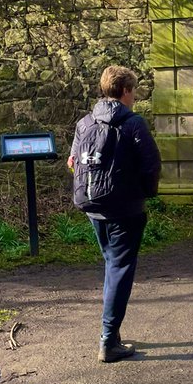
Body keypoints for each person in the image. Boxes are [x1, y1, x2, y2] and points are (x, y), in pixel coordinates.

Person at [69, 65, 161, 363]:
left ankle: (112, 333)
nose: (134, 96)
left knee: (112, 265)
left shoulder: (85, 123)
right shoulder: (133, 124)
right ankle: (108, 339)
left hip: (94, 207)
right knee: (120, 269)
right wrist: (144, 193)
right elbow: (151, 165)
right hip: (125, 209)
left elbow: (73, 162)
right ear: (124, 91)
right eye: (133, 90)